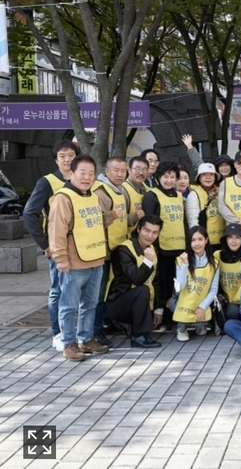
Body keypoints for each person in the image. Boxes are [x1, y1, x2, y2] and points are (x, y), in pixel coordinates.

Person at [48, 154, 109, 362]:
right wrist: (60, 259)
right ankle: (68, 343)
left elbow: (95, 223)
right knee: (68, 306)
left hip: (95, 260)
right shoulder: (63, 198)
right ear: (71, 173)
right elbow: (56, 231)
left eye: (91, 173)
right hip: (73, 263)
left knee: (90, 304)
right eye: (82, 172)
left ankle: (85, 339)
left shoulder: (92, 196)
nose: (87, 177)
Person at [24, 140, 80, 352]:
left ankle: (78, 332)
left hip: (82, 247)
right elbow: (30, 214)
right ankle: (58, 333)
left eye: (71, 155)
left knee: (78, 292)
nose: (67, 159)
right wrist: (45, 243)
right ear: (56, 160)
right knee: (58, 290)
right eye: (63, 156)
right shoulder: (47, 182)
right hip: (58, 248)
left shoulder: (83, 180)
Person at [106, 215, 163, 348]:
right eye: (147, 230)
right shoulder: (124, 250)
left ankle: (139, 329)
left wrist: (158, 309)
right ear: (138, 229)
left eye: (155, 232)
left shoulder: (153, 249)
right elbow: (136, 279)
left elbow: (156, 281)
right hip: (117, 304)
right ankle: (138, 336)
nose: (150, 236)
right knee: (142, 289)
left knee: (144, 291)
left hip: (138, 303)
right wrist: (147, 261)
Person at [142, 161, 187, 328]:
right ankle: (163, 317)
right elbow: (148, 223)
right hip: (162, 249)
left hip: (179, 249)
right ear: (158, 177)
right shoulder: (152, 196)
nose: (169, 180)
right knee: (163, 283)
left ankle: (177, 315)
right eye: (165, 176)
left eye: (172, 177)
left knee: (179, 284)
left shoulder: (179, 196)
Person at [92, 157, 131, 347]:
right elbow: (93, 221)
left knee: (109, 291)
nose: (119, 174)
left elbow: (123, 219)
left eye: (123, 170)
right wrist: (111, 215)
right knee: (97, 294)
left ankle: (106, 323)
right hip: (102, 251)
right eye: (116, 170)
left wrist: (134, 217)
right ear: (106, 171)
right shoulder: (98, 191)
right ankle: (96, 331)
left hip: (118, 248)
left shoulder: (121, 190)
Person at [173, 226, 218, 341]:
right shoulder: (180, 260)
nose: (197, 243)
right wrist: (184, 265)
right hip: (184, 300)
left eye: (200, 239)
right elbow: (180, 286)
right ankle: (181, 327)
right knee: (175, 305)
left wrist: (203, 306)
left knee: (201, 331)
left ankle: (200, 324)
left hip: (201, 300)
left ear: (206, 240)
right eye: (193, 240)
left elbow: (213, 289)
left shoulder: (214, 263)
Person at [216, 223, 241, 322]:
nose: (233, 241)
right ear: (225, 240)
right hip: (228, 300)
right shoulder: (217, 255)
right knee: (233, 312)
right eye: (230, 237)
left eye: (237, 237)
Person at [186, 163, 224, 247]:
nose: (208, 177)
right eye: (204, 175)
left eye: (211, 174)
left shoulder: (220, 192)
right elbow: (193, 221)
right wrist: (197, 241)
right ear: (199, 178)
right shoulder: (193, 194)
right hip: (204, 242)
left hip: (223, 239)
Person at [122, 156, 149, 237]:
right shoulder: (122, 190)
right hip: (127, 239)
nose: (141, 173)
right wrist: (134, 217)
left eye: (144, 169)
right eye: (137, 169)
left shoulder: (148, 189)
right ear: (129, 170)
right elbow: (116, 219)